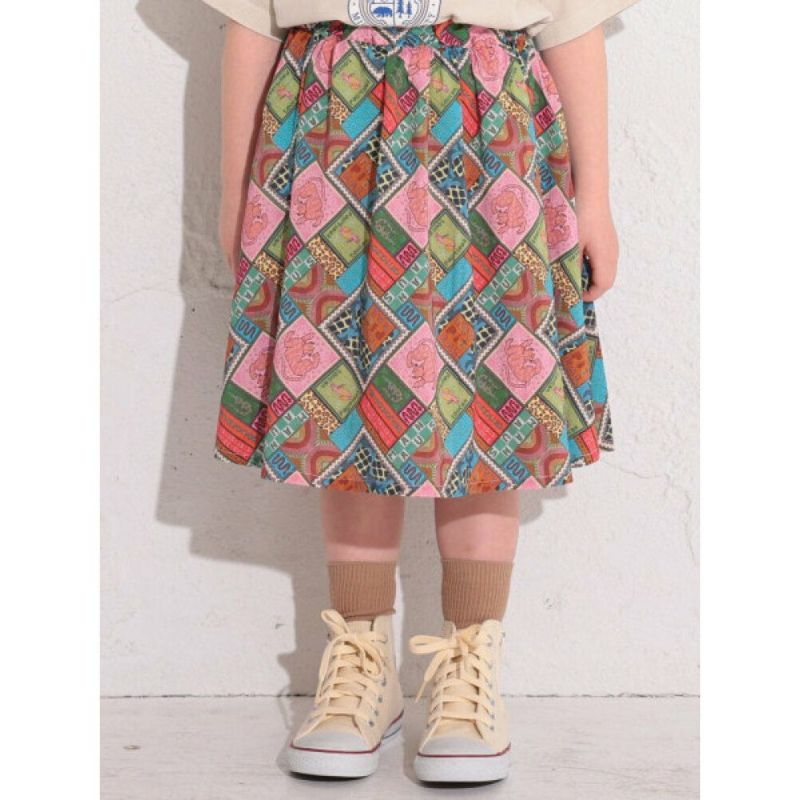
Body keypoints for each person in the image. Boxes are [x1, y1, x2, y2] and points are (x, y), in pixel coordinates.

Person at [201, 0, 637, 783]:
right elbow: (249, 23)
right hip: (331, 126)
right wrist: (235, 193)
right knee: (342, 392)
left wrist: (595, 200)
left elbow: (573, 26)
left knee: (493, 399)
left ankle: (470, 662)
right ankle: (360, 656)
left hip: (492, 130)